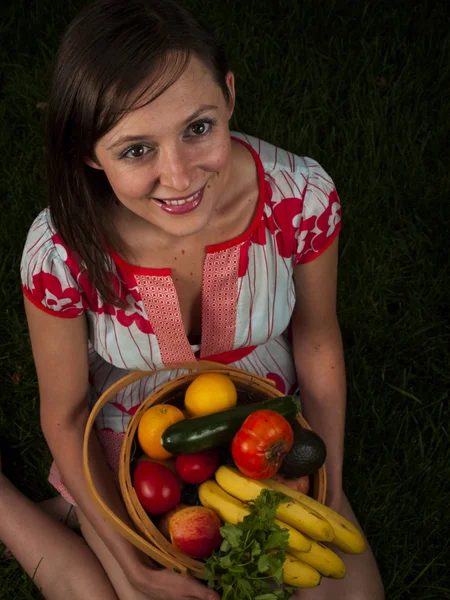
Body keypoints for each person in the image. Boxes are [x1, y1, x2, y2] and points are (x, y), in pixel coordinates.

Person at [0, 0, 385, 598]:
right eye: (135, 150)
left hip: (259, 422)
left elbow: (315, 335)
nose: (179, 177)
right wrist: (133, 567)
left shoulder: (300, 199)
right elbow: (66, 412)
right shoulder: (59, 251)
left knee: (353, 594)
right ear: (87, 152)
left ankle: (74, 514)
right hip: (133, 438)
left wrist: (326, 482)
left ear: (229, 95)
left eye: (197, 128)